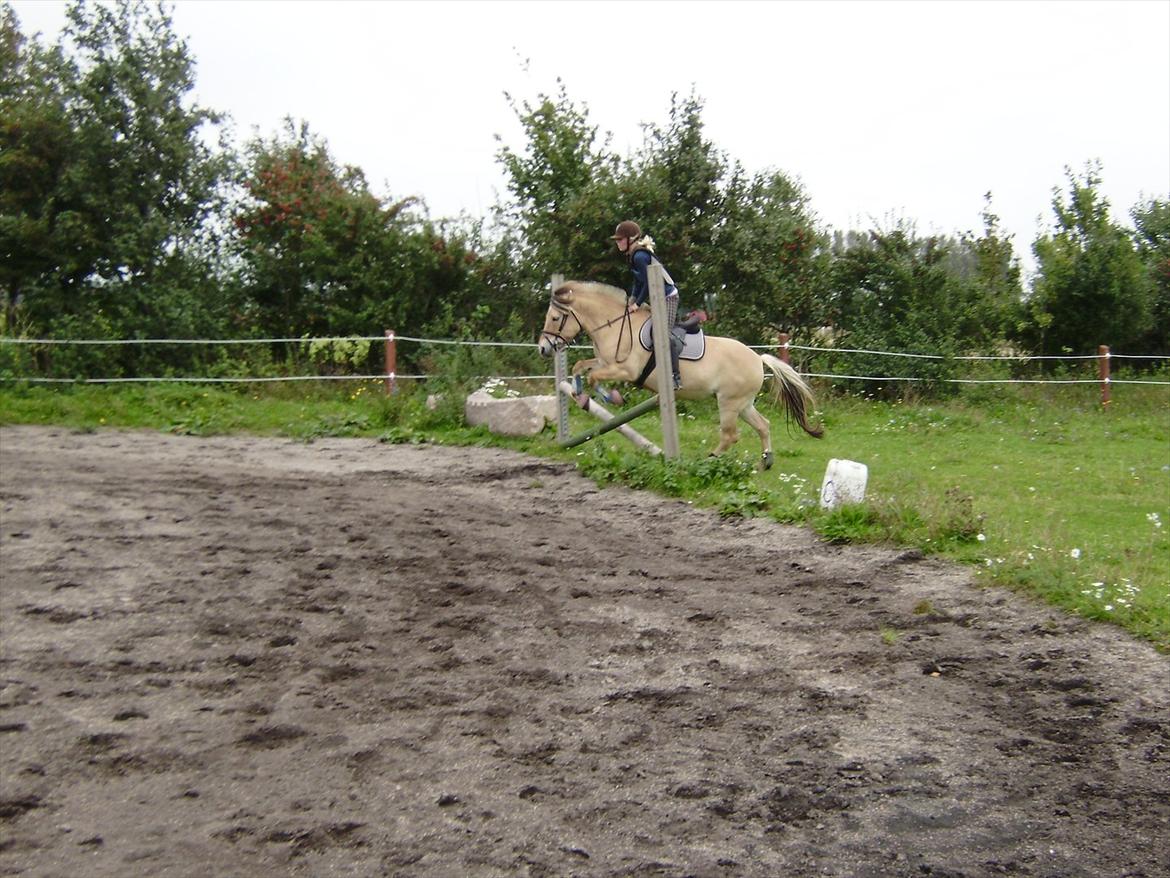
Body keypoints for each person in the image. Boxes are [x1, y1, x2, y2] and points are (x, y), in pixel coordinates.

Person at [610, 220, 683, 389]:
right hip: (657, 297)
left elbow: (649, 283)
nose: (617, 242)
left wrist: (639, 303)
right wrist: (633, 300)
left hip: (668, 297)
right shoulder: (633, 255)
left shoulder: (639, 256)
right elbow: (638, 282)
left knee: (663, 334)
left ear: (630, 239)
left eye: (620, 239)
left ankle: (675, 376)